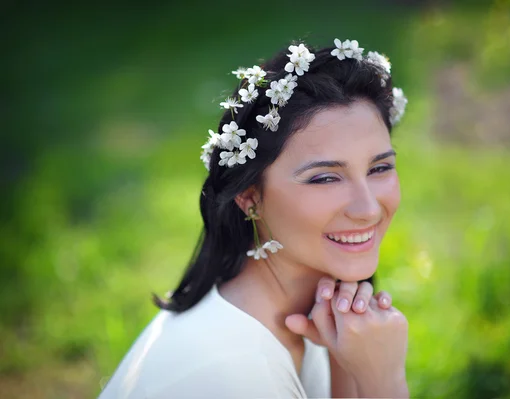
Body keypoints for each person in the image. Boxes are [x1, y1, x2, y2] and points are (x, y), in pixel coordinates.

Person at [99, 38, 410, 398]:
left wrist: (347, 365)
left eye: (380, 167)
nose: (369, 208)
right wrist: (384, 382)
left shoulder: (312, 310)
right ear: (249, 197)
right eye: (325, 178)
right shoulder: (231, 377)